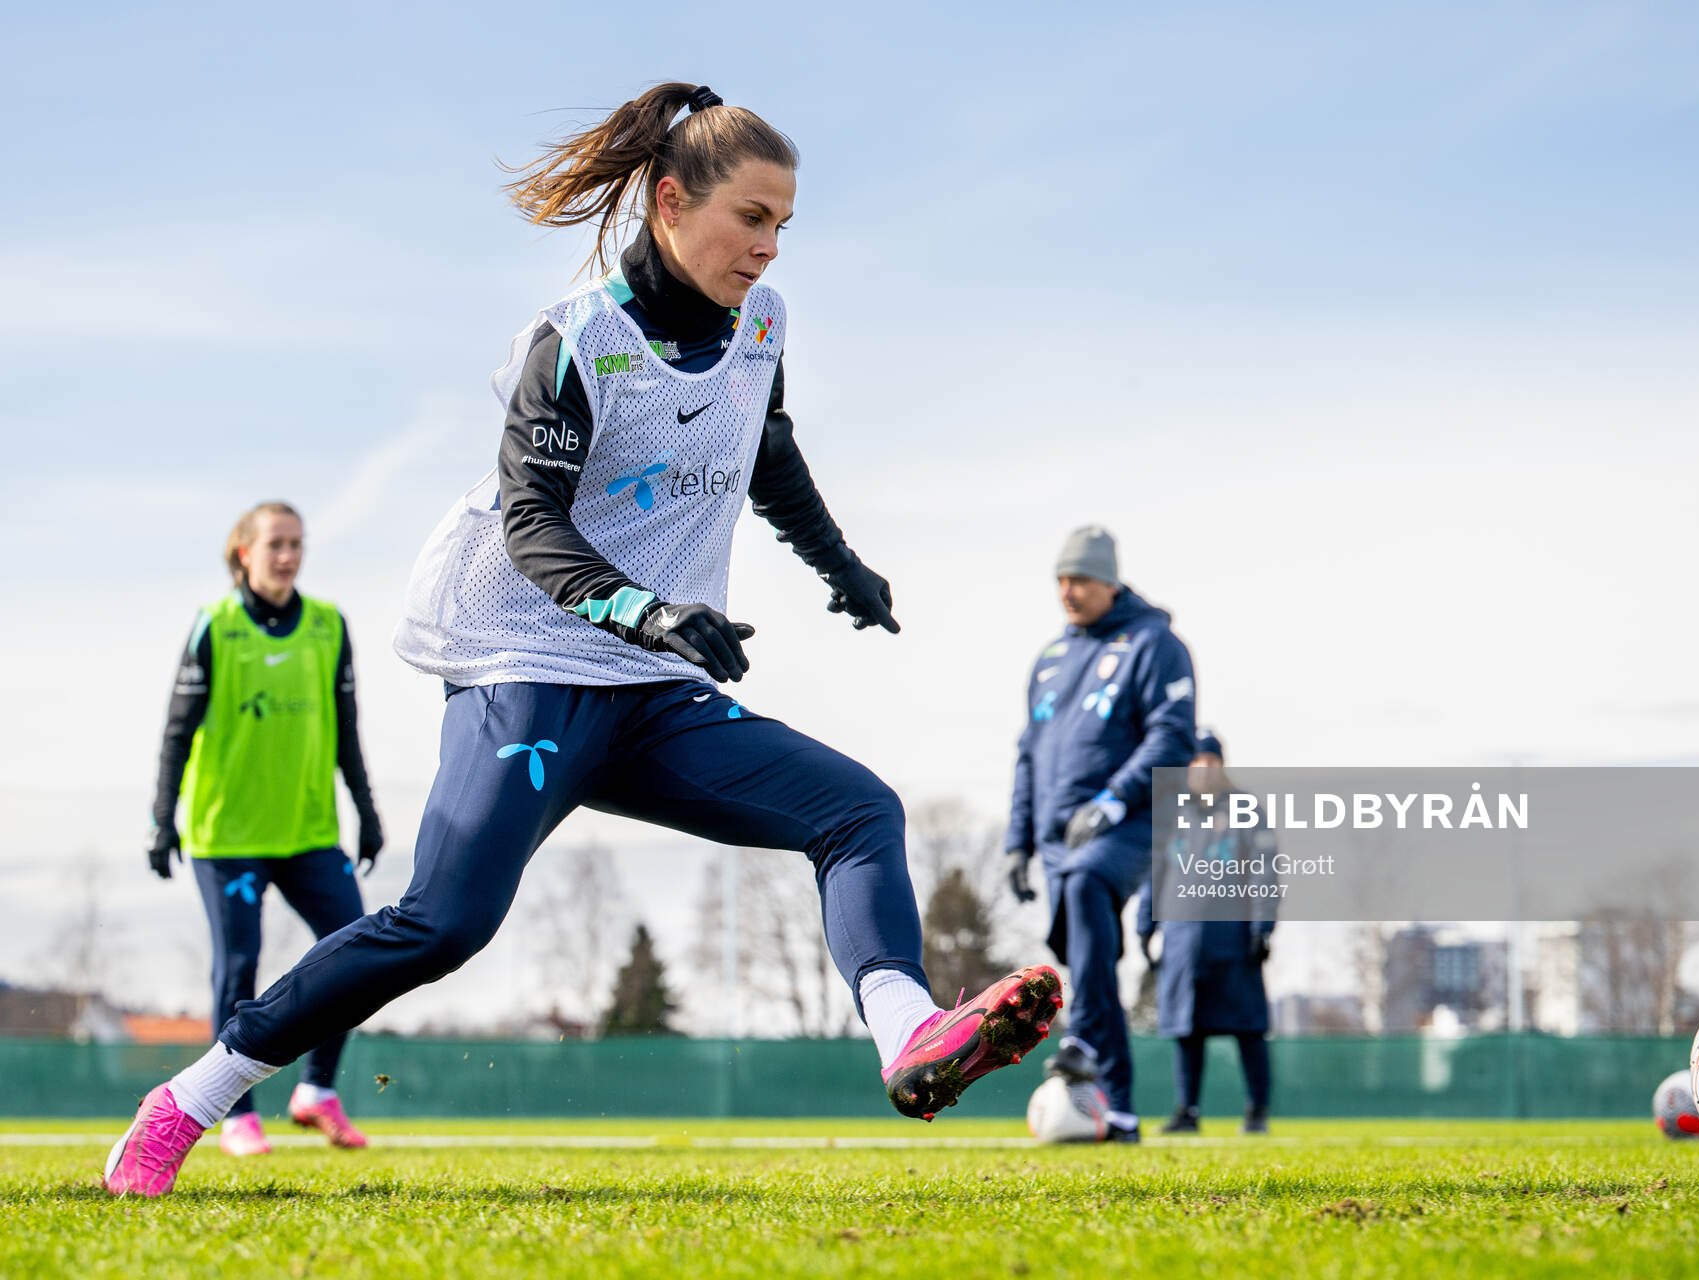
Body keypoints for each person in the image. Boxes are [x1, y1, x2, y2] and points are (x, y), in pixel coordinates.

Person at [106, 82, 1058, 1197]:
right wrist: (648, 610)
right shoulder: (575, 342)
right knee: (443, 922)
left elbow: (766, 449)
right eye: (750, 217)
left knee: (858, 811)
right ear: (669, 200)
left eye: (784, 224)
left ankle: (908, 1036)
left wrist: (841, 566)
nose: (768, 247)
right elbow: (531, 522)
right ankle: (189, 1100)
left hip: (653, 682)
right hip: (528, 662)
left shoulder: (764, 323)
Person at [144, 501, 383, 1157]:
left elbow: (346, 731)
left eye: (297, 544)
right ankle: (236, 1114)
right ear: (243, 552)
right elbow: (177, 730)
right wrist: (163, 820)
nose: (288, 555)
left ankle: (317, 1093)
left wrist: (366, 810)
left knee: (359, 954)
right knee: (239, 966)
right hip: (229, 837)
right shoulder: (215, 626)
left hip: (308, 830)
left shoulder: (329, 626)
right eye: (275, 544)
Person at [1005, 526, 1196, 1142]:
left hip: (1130, 824)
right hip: (1058, 837)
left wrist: (1113, 802)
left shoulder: (1154, 645)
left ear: (1111, 582)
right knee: (1086, 956)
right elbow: (1029, 754)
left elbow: (1173, 738)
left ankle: (1080, 1037)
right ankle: (1116, 1112)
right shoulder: (1051, 660)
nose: (1069, 590)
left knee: (1089, 892)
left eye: (1081, 579)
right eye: (1061, 579)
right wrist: (1018, 842)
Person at [1136, 731, 1276, 1135]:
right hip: (1180, 939)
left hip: (1233, 937)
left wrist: (1263, 925)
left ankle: (1257, 1111)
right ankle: (1187, 1111)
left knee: (1248, 1026)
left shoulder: (1244, 807)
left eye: (1212, 761)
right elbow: (1154, 873)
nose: (1204, 769)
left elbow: (1266, 866)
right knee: (1185, 1027)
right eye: (1197, 761)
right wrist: (1146, 926)